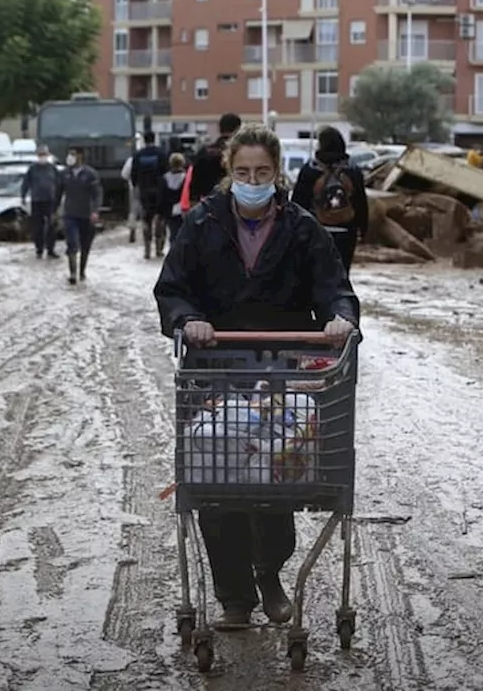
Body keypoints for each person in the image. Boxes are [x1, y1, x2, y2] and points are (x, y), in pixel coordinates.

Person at [153, 123, 360, 630]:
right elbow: (171, 288)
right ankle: (235, 597)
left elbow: (335, 287)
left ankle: (269, 572)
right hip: (217, 369)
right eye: (243, 171)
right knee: (218, 481)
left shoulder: (301, 228)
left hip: (282, 371)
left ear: (276, 173)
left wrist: (339, 318)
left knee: (275, 479)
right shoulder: (202, 224)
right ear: (229, 171)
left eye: (262, 171)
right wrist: (187, 319)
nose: (252, 179)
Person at [292, 126, 369, 276]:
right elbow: (361, 202)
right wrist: (363, 229)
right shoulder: (352, 170)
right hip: (347, 232)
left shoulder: (310, 170)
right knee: (341, 274)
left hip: (315, 231)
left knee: (314, 275)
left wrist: (296, 231)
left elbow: (298, 203)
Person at [60, 147, 103, 284]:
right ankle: (72, 273)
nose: (70, 157)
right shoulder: (65, 173)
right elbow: (58, 192)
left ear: (80, 156)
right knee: (72, 243)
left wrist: (95, 211)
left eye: (73, 154)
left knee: (85, 245)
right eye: (69, 154)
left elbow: (97, 194)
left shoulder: (90, 174)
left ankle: (82, 271)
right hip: (70, 214)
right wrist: (54, 210)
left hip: (87, 215)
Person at [187, 112, 242, 205]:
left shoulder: (204, 151)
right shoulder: (240, 151)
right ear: (238, 129)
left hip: (209, 204)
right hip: (236, 203)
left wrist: (193, 203)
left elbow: (195, 182)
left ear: (219, 128)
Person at [131, 132, 170, 259]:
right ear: (155, 139)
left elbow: (133, 174)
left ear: (144, 140)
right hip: (159, 191)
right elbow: (167, 172)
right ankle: (159, 249)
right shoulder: (161, 153)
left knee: (146, 220)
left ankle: (147, 250)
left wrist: (137, 186)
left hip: (144, 191)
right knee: (160, 218)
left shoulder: (138, 155)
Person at [21, 145, 63, 259]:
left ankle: (51, 249)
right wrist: (23, 196)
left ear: (48, 155)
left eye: (44, 154)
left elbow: (60, 184)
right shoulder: (33, 169)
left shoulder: (52, 168)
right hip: (37, 201)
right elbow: (26, 183)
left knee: (51, 226)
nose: (42, 157)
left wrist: (59, 199)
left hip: (50, 201)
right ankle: (39, 249)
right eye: (40, 155)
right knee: (38, 227)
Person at [159, 152, 189, 248]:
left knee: (173, 233)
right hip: (184, 209)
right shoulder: (187, 177)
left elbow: (161, 196)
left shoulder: (164, 178)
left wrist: (160, 213)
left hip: (169, 210)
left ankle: (174, 253)